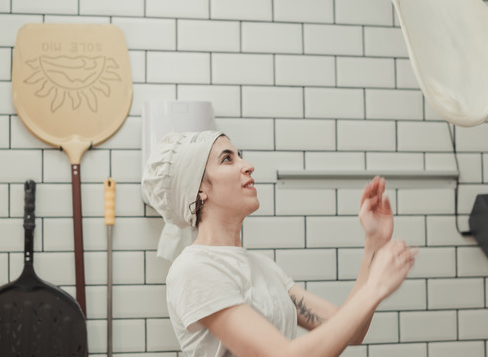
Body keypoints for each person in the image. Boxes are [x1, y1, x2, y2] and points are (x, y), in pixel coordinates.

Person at [142, 131, 418, 357]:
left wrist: (374, 242)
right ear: (199, 188)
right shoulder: (193, 270)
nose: (247, 165)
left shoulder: (263, 267)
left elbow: (351, 329)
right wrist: (375, 288)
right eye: (227, 159)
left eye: (240, 156)